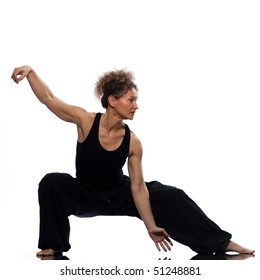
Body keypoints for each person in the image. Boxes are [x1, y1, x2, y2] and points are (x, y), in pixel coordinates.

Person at [11, 65, 254, 258]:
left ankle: (220, 242)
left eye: (136, 100)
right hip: (85, 193)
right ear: (112, 101)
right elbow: (49, 99)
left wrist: (150, 226)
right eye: (131, 100)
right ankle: (53, 246)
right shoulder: (85, 121)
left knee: (172, 196)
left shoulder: (133, 142)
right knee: (52, 182)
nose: (136, 106)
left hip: (120, 194)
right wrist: (31, 72)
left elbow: (138, 187)